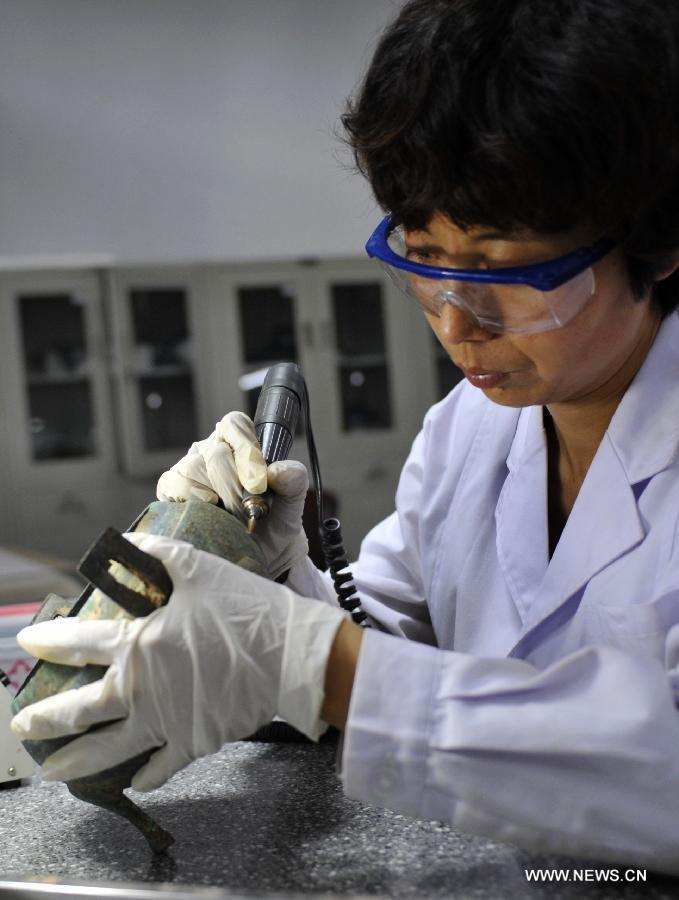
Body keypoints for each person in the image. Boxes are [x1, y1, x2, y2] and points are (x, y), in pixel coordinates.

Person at [11, 0, 679, 875]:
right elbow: (398, 647)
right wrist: (267, 580)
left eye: (504, 272)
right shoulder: (468, 428)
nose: (457, 324)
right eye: (422, 259)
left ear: (658, 242)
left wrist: (310, 660)